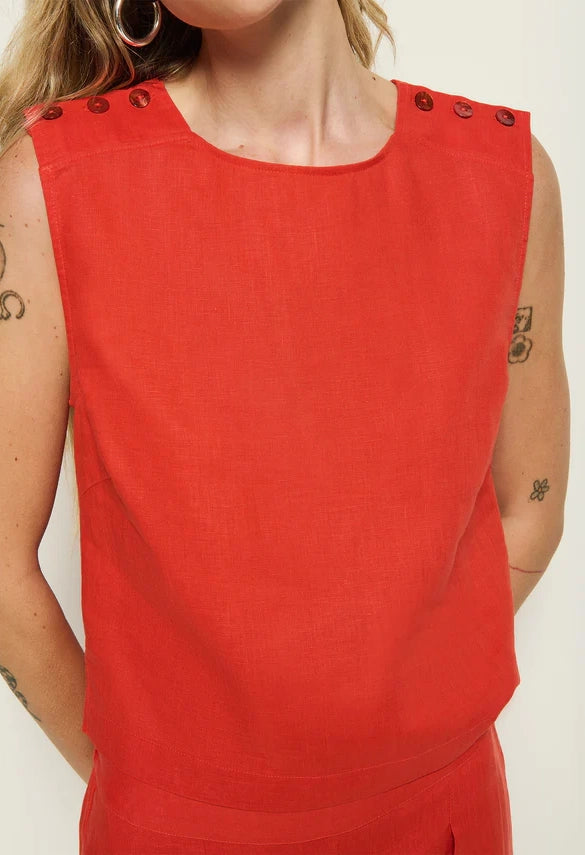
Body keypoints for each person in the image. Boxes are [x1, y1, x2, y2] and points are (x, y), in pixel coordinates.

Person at [0, 1, 569, 853]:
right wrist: (152, 788)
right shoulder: (51, 181)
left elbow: (532, 506)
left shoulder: (504, 173)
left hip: (446, 817)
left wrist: (386, 698)